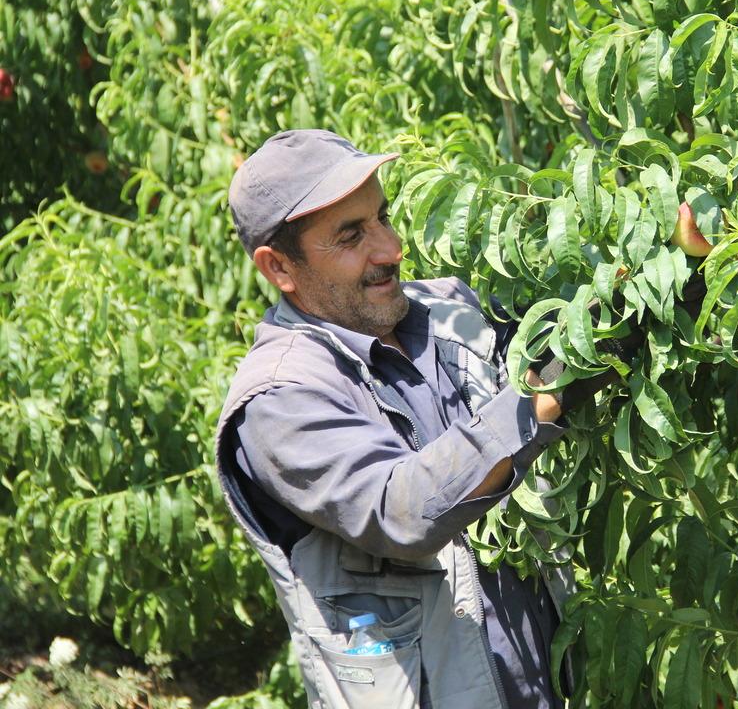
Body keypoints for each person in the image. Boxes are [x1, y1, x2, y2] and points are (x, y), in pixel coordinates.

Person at [213, 129, 635, 709]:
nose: (390, 249)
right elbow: (400, 510)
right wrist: (542, 398)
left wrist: (665, 273)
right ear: (280, 267)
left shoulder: (450, 312)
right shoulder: (280, 399)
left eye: (382, 218)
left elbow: (569, 353)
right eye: (351, 236)